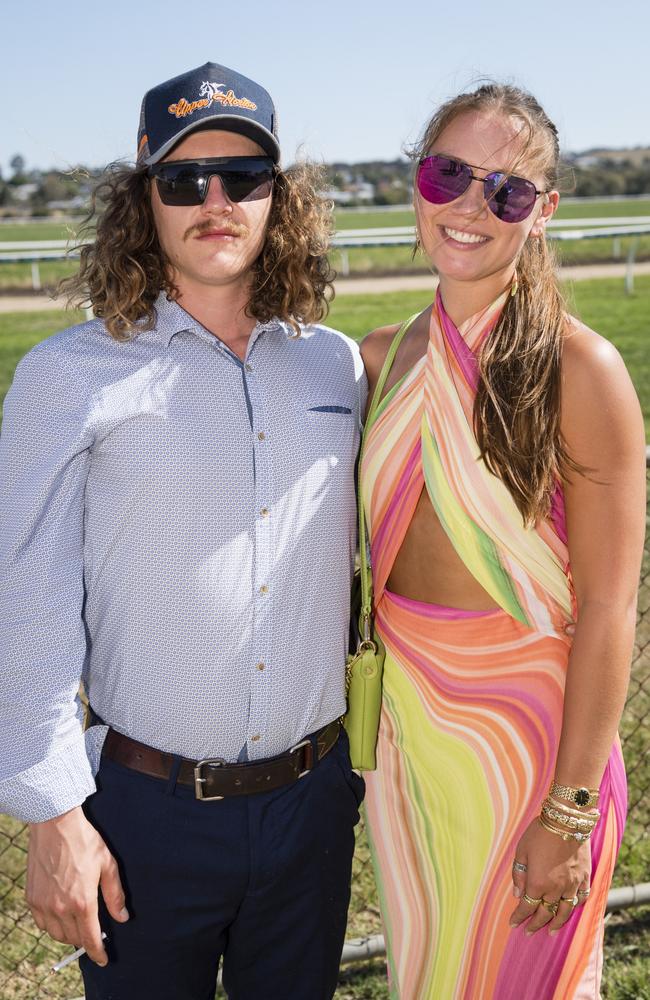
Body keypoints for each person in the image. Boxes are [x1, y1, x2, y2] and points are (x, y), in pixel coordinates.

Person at [0, 62, 366, 1000]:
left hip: (314, 806)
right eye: (183, 180)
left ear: (278, 198)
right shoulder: (67, 376)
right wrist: (52, 817)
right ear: (143, 197)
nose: (216, 201)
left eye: (242, 177)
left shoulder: (335, 367)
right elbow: (24, 609)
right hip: (145, 818)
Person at [359, 83, 645, 999]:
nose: (471, 205)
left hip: (534, 754)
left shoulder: (581, 369)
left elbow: (608, 607)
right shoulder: (377, 358)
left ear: (544, 211)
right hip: (406, 754)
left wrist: (569, 813)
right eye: (450, 173)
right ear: (418, 182)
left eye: (508, 190)